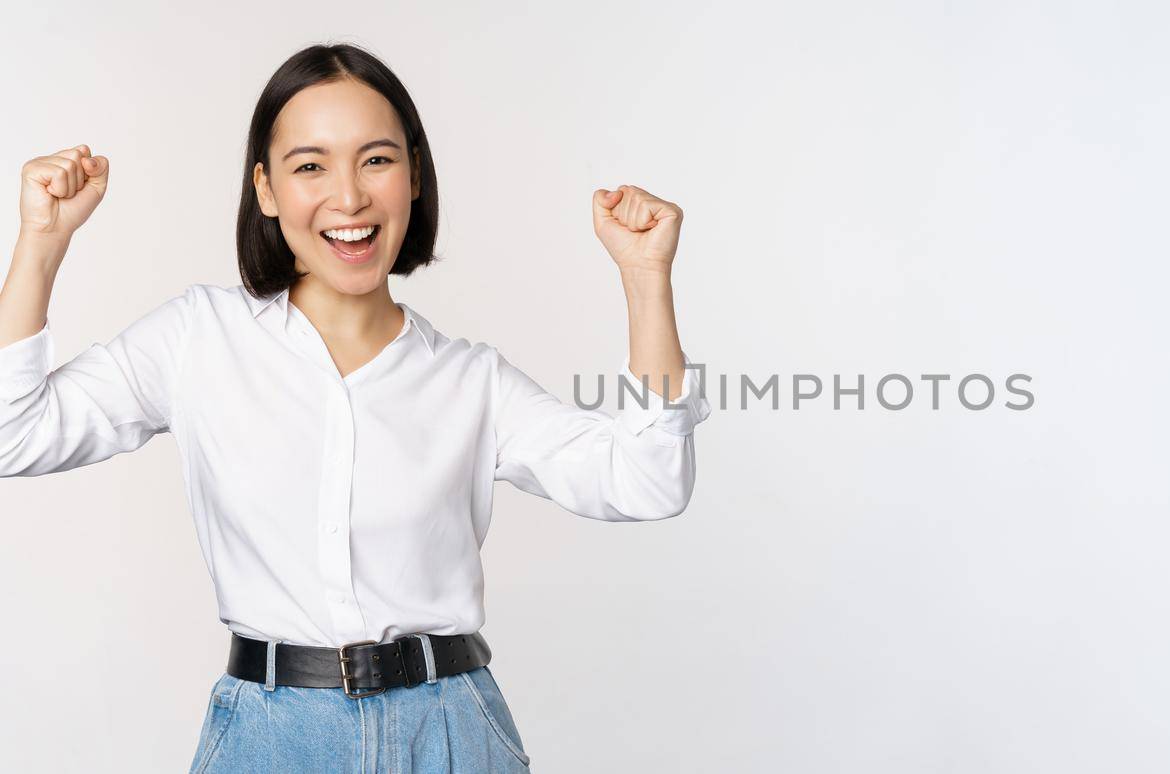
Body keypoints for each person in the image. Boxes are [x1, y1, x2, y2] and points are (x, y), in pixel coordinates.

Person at [0, 42, 710, 773]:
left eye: (376, 160)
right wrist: (42, 243)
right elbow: (10, 436)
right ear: (267, 190)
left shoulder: (472, 382)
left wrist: (645, 276)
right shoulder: (197, 340)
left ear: (414, 179)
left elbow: (648, 483)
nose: (349, 198)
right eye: (310, 166)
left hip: (450, 735)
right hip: (269, 739)